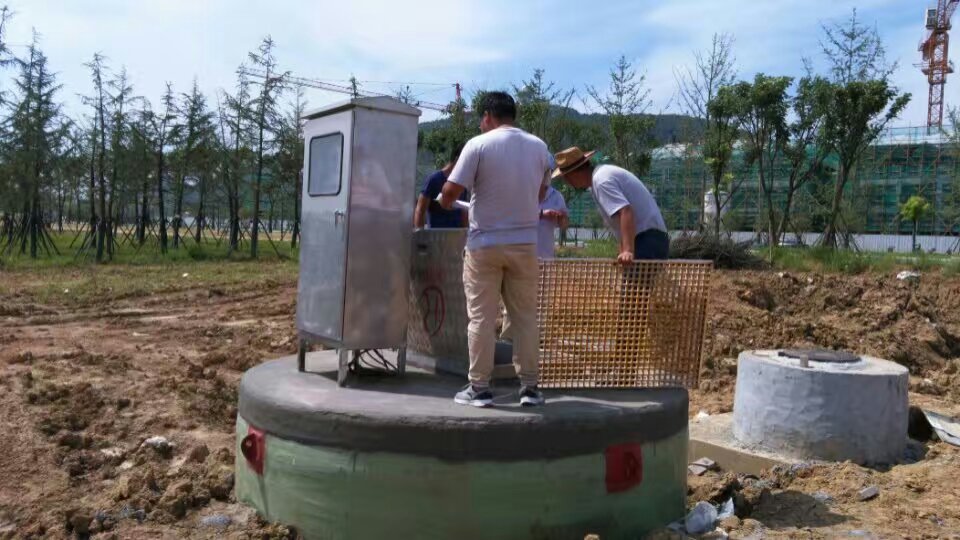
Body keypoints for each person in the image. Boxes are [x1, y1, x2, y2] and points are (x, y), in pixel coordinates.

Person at [438, 91, 552, 408]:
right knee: (525, 317)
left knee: (481, 319)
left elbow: (450, 191)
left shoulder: (478, 145)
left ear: (488, 116)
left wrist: (445, 201)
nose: (480, 123)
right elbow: (541, 193)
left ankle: (479, 387)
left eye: (481, 118)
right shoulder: (539, 147)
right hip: (525, 244)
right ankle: (530, 388)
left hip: (484, 245)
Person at [552, 147, 668, 262]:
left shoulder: (601, 181)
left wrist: (628, 251)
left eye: (566, 177)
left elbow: (626, 211)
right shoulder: (600, 177)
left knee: (637, 275)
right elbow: (619, 221)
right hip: (650, 238)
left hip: (646, 239)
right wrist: (622, 251)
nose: (567, 182)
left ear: (574, 174)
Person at [500, 182, 567, 341]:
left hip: (544, 256)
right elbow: (513, 216)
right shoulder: (521, 190)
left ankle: (537, 338)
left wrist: (562, 218)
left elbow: (564, 225)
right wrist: (542, 214)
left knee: (541, 299)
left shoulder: (556, 196)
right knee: (515, 296)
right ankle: (509, 337)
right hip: (519, 255)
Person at [413, 144, 468, 229]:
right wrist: (420, 234)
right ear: (457, 160)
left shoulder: (462, 182)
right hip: (437, 233)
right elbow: (420, 210)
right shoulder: (434, 179)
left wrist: (465, 231)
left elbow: (463, 212)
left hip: (456, 233)